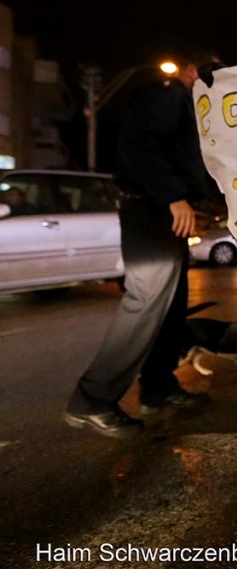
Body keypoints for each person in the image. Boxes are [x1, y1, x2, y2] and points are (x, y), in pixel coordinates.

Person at [64, 48, 220, 437]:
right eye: (210, 71)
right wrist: (173, 196)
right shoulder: (167, 95)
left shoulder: (186, 104)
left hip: (165, 213)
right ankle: (92, 399)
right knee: (146, 303)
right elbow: (139, 146)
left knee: (171, 306)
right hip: (151, 210)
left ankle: (158, 386)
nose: (216, 79)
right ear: (189, 69)